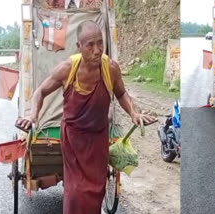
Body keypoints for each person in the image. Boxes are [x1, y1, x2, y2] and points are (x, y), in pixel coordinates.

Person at [17, 20, 154, 214]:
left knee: (95, 192)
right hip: (73, 140)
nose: (97, 50)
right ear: (79, 47)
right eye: (90, 45)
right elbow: (40, 91)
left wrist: (134, 113)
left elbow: (121, 93)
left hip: (98, 140)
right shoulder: (68, 69)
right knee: (75, 193)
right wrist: (33, 115)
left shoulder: (110, 68)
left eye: (100, 43)